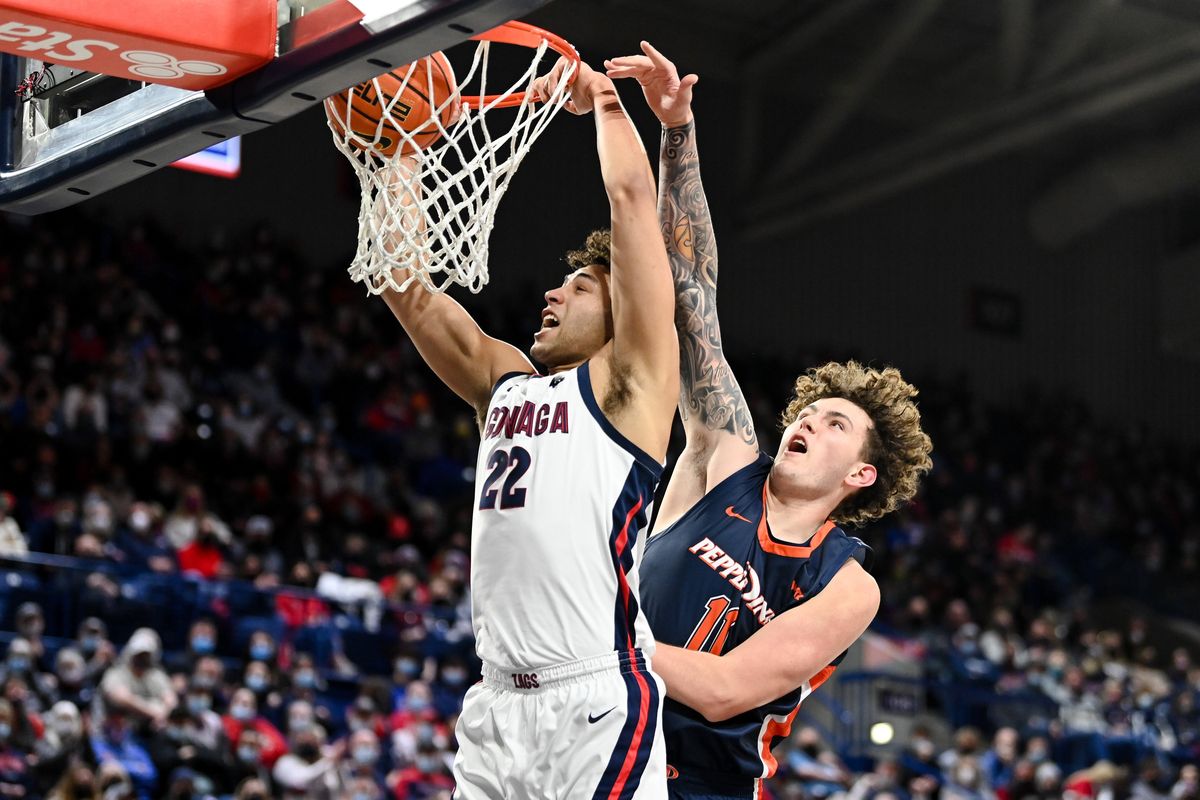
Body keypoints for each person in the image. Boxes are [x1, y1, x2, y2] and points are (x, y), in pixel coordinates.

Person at [605, 42, 933, 797]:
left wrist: (593, 640)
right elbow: (692, 294)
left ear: (860, 474)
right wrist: (677, 130)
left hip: (699, 786)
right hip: (596, 737)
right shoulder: (725, 460)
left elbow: (723, 691)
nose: (809, 421)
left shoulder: (845, 584)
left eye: (835, 424)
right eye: (809, 410)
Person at [370, 55, 678, 796]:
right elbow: (405, 288)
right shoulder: (502, 380)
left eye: (578, 288)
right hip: (497, 705)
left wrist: (604, 100)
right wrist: (400, 150)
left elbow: (633, 202)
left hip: (596, 697)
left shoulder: (631, 381)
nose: (551, 292)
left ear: (618, 315)